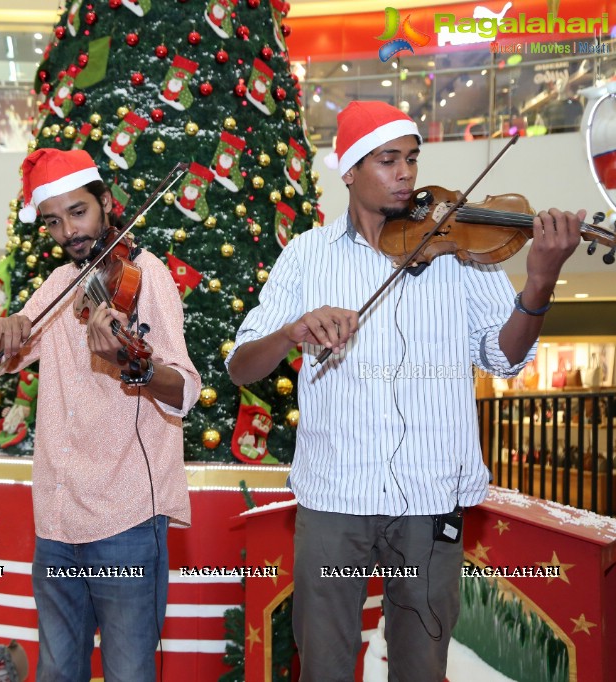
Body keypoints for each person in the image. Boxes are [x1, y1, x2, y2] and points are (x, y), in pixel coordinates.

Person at [226, 101, 583, 681]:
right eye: (388, 160)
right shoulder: (307, 255)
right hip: (336, 496)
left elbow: (505, 357)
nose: (406, 175)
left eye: (412, 159)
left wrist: (540, 282)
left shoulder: (460, 248)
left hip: (428, 494)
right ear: (348, 169)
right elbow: (242, 366)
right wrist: (292, 332)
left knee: (421, 666)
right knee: (324, 665)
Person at [0, 148, 200, 680]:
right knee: (56, 670)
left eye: (78, 212)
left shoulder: (147, 276)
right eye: (52, 220)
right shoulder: (56, 286)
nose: (68, 231)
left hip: (125, 518)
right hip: (55, 516)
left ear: (106, 204)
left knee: (127, 672)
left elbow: (184, 388)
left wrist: (129, 361)